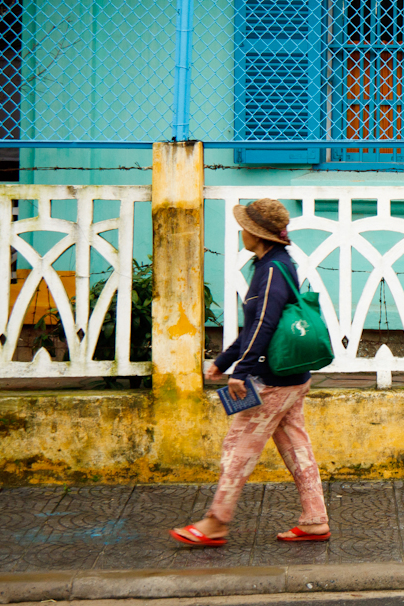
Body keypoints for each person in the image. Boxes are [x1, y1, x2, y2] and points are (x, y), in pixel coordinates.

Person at [170, 198, 330, 547]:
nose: (242, 231)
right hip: (292, 378)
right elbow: (254, 325)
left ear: (257, 233)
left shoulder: (271, 269)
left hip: (270, 380)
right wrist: (225, 359)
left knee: (237, 445)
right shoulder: (276, 264)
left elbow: (264, 324)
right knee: (296, 447)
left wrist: (240, 371)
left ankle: (215, 523)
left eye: (245, 227)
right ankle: (315, 519)